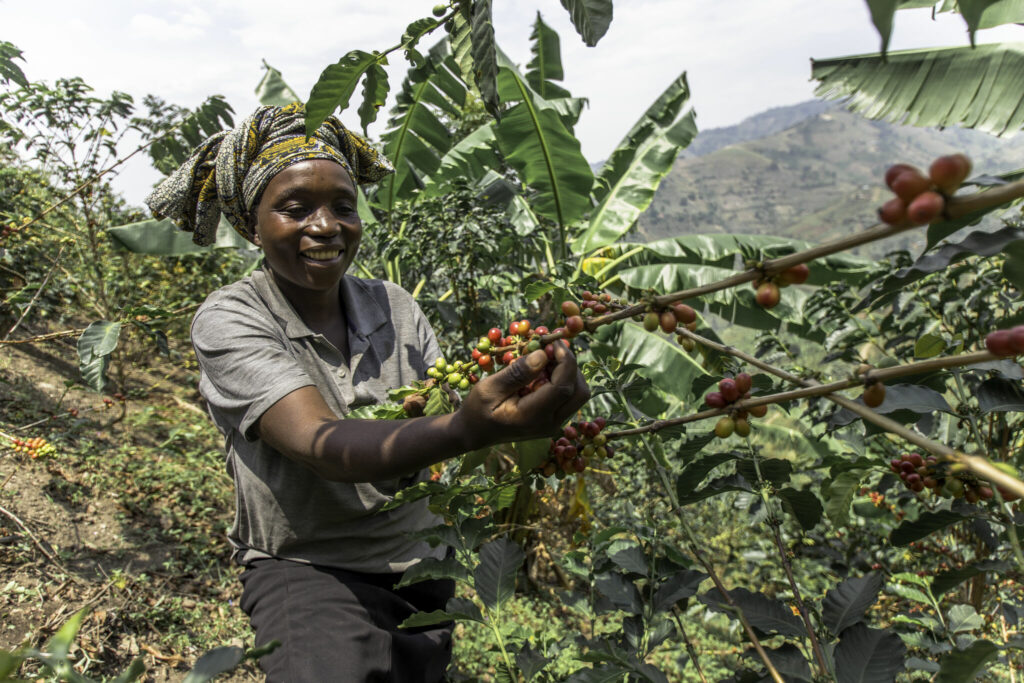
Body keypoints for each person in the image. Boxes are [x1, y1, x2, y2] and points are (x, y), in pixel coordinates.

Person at [146, 103, 590, 681]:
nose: (326, 225)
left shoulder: (395, 305)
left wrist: (519, 412)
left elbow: (438, 419)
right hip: (310, 571)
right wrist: (469, 427)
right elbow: (322, 445)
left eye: (343, 207)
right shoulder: (232, 318)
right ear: (252, 227)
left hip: (420, 564)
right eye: (295, 208)